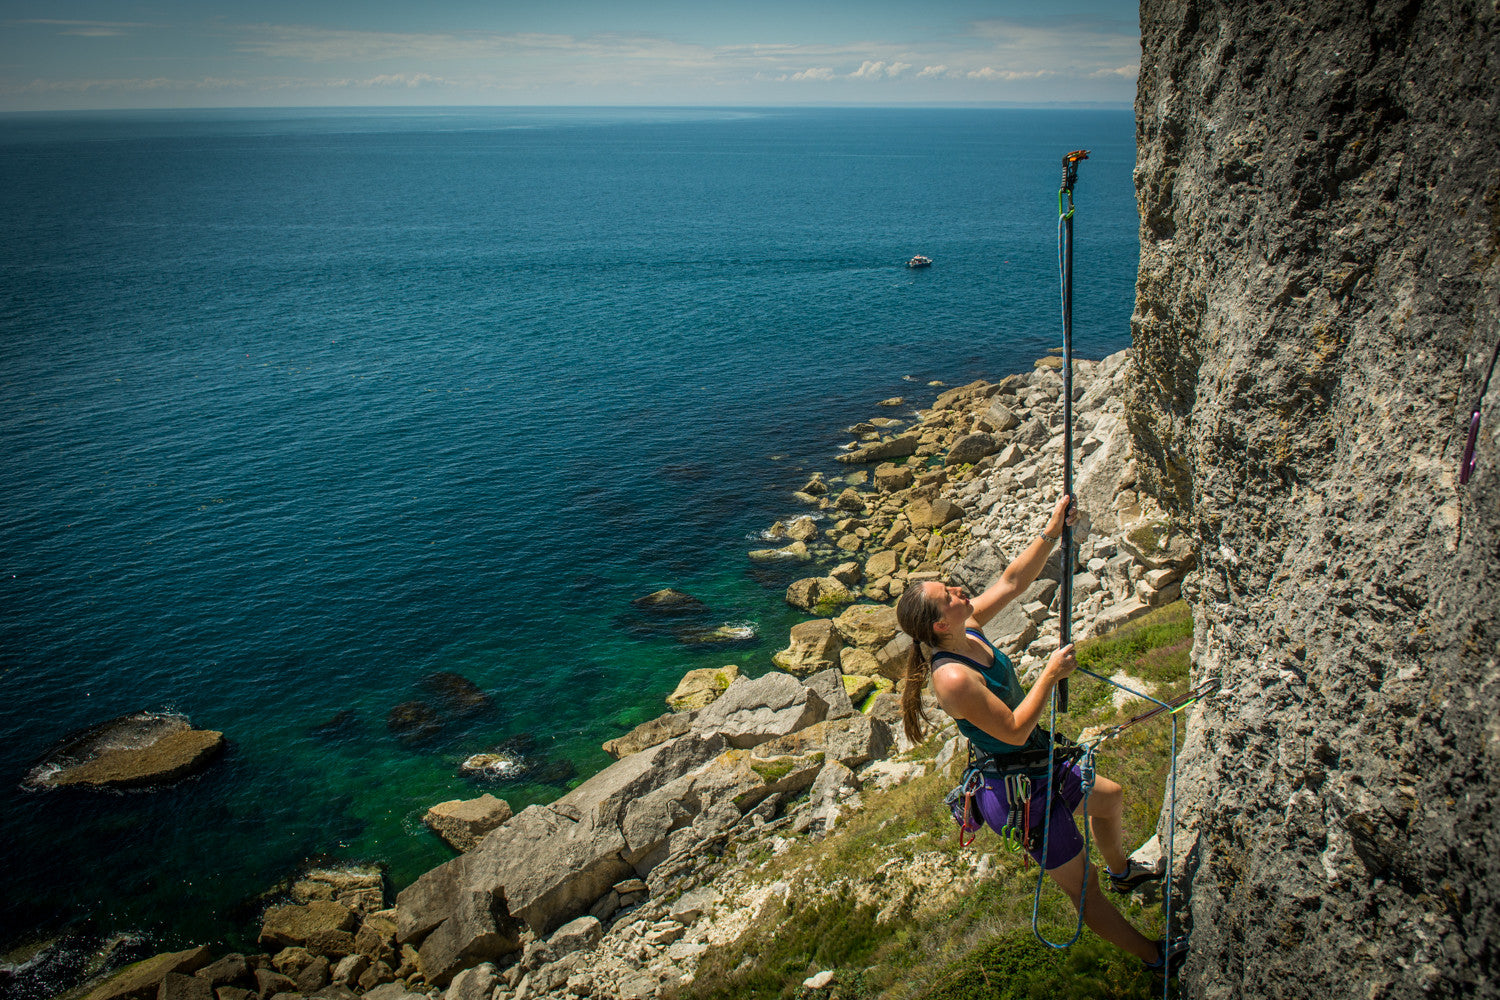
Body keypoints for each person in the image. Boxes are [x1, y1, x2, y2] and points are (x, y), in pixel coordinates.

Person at [895, 494, 1184, 971]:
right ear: (941, 622)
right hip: (1014, 789)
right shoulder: (951, 677)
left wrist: (1053, 529)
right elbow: (1010, 731)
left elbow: (1012, 581)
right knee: (1080, 887)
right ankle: (1157, 957)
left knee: (1108, 799)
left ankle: (1123, 873)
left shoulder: (966, 631)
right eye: (947, 593)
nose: (956, 588)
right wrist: (1049, 674)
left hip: (1033, 763)